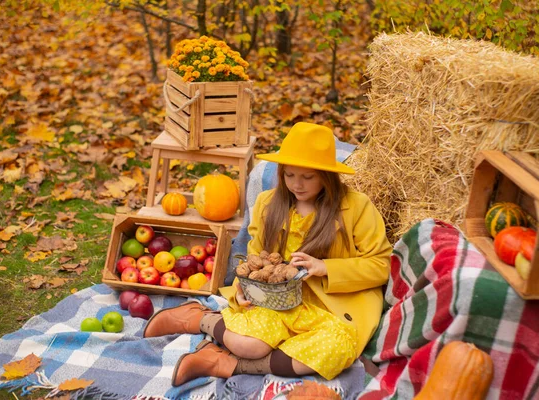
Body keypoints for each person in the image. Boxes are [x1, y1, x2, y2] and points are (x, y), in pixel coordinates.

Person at [143, 122, 392, 386]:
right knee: (247, 343)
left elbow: (381, 265)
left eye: (308, 177)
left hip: (332, 307)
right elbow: (254, 260)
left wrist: (326, 268)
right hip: (279, 299)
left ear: (327, 176)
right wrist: (243, 288)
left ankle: (224, 363)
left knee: (333, 352)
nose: (297, 184)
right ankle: (199, 317)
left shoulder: (356, 206)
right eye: (289, 175)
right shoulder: (268, 204)